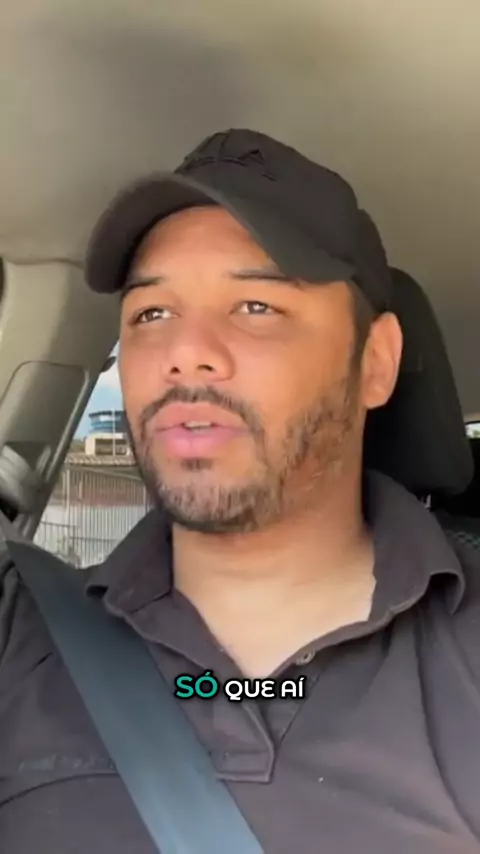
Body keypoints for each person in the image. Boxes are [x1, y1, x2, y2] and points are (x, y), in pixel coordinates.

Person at [1, 129, 480, 854]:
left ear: (376, 363)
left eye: (256, 306)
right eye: (151, 314)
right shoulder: (20, 630)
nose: (184, 353)